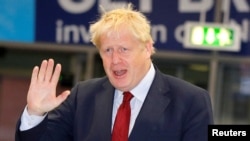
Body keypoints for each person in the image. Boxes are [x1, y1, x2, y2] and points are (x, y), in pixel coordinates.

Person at [15, 3, 214, 141]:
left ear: (146, 49)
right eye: (107, 50)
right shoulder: (83, 96)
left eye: (123, 49)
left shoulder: (190, 100)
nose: (115, 59)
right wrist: (35, 113)